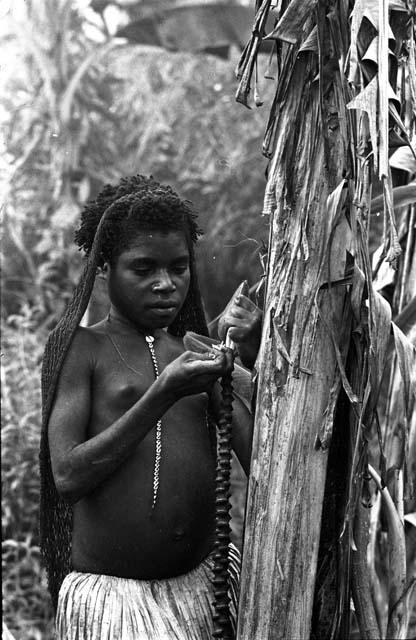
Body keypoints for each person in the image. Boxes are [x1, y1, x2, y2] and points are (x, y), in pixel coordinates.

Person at [40, 175, 262, 639]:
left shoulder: (193, 349)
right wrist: (162, 392)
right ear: (104, 267)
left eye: (178, 268)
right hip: (118, 607)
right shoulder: (82, 349)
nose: (165, 285)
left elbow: (259, 458)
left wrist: (246, 354)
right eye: (143, 269)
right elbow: (67, 476)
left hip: (207, 592)